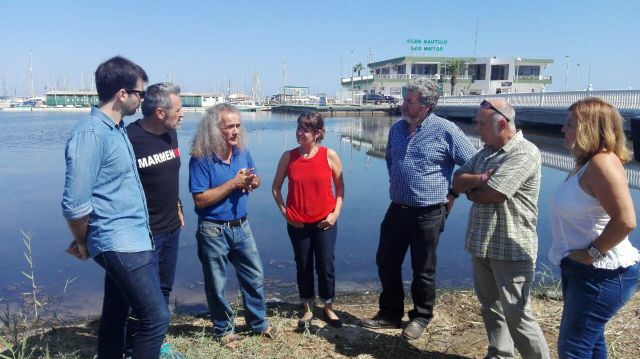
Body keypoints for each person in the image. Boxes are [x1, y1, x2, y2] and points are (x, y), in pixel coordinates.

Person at [61, 56, 170, 358]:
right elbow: (74, 205)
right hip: (119, 242)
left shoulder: (116, 129)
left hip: (130, 238)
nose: (143, 99)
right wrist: (84, 240)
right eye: (140, 93)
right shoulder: (91, 134)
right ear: (123, 94)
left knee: (116, 312)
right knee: (156, 317)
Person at [360, 78, 476, 340]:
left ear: (426, 104)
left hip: (428, 212)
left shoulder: (446, 130)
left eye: (409, 101)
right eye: (404, 99)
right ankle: (390, 313)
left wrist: (453, 193)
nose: (403, 105)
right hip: (397, 208)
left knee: (423, 269)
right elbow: (391, 161)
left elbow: (472, 162)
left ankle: (421, 316)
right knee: (386, 261)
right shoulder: (397, 129)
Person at [452, 99, 549, 359]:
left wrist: (474, 191)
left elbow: (494, 194)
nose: (477, 128)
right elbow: (457, 179)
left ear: (502, 123)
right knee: (490, 307)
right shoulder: (486, 152)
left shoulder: (524, 152)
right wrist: (482, 179)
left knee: (518, 313)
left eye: (482, 124)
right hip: (482, 242)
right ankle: (500, 353)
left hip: (511, 244)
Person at [548, 98, 640, 358]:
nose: (563, 129)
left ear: (589, 127)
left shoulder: (603, 164)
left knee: (573, 349)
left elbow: (625, 221)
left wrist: (591, 254)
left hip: (602, 274)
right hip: (585, 270)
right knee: (591, 340)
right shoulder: (588, 164)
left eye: (569, 124)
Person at [189, 103, 271, 341]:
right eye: (230, 126)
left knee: (254, 276)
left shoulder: (242, 151)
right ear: (215, 129)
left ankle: (258, 324)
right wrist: (233, 184)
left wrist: (254, 181)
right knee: (217, 284)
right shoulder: (200, 158)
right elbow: (200, 200)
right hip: (213, 230)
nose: (236, 131)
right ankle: (224, 330)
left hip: (242, 227)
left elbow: (255, 178)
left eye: (238, 125)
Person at [125, 82, 185, 356]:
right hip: (143, 233)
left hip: (171, 227)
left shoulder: (170, 135)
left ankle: (157, 343)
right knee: (140, 298)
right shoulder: (129, 139)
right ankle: (131, 345)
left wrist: (178, 203)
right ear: (160, 112)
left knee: (163, 288)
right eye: (179, 109)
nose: (183, 114)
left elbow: (168, 175)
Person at [272, 112, 344, 328]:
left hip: (325, 223)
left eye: (305, 129)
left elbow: (340, 188)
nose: (299, 133)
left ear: (318, 133)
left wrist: (335, 214)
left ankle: (328, 307)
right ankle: (306, 307)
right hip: (298, 224)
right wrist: (286, 213)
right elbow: (276, 188)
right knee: (303, 265)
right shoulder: (288, 156)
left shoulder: (329, 155)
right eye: (298, 128)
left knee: (326, 265)